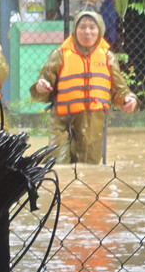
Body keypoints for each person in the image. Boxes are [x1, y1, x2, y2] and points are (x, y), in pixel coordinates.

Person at [30, 10, 138, 164]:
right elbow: (43, 83)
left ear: (99, 30)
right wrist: (40, 86)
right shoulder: (59, 55)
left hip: (93, 122)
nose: (87, 32)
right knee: (58, 164)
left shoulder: (108, 58)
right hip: (62, 121)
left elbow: (119, 90)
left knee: (89, 167)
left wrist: (128, 99)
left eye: (92, 27)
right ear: (75, 30)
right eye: (82, 27)